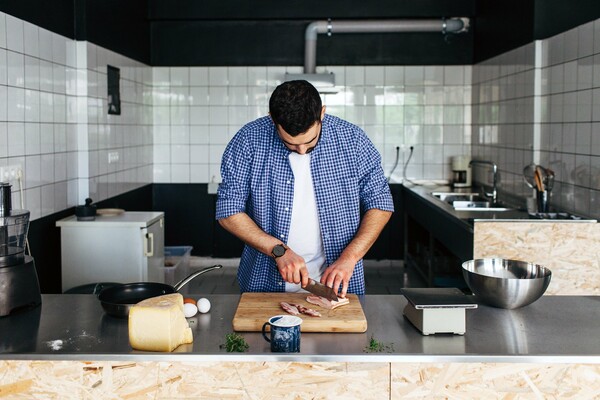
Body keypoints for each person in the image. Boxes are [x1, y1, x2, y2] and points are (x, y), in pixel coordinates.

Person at [216, 80, 393, 297]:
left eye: (310, 142)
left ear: (322, 113)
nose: (301, 151)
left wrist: (350, 257)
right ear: (273, 119)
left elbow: (381, 203)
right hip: (264, 282)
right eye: (290, 144)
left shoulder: (353, 140)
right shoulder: (248, 140)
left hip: (338, 282)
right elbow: (228, 211)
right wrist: (279, 251)